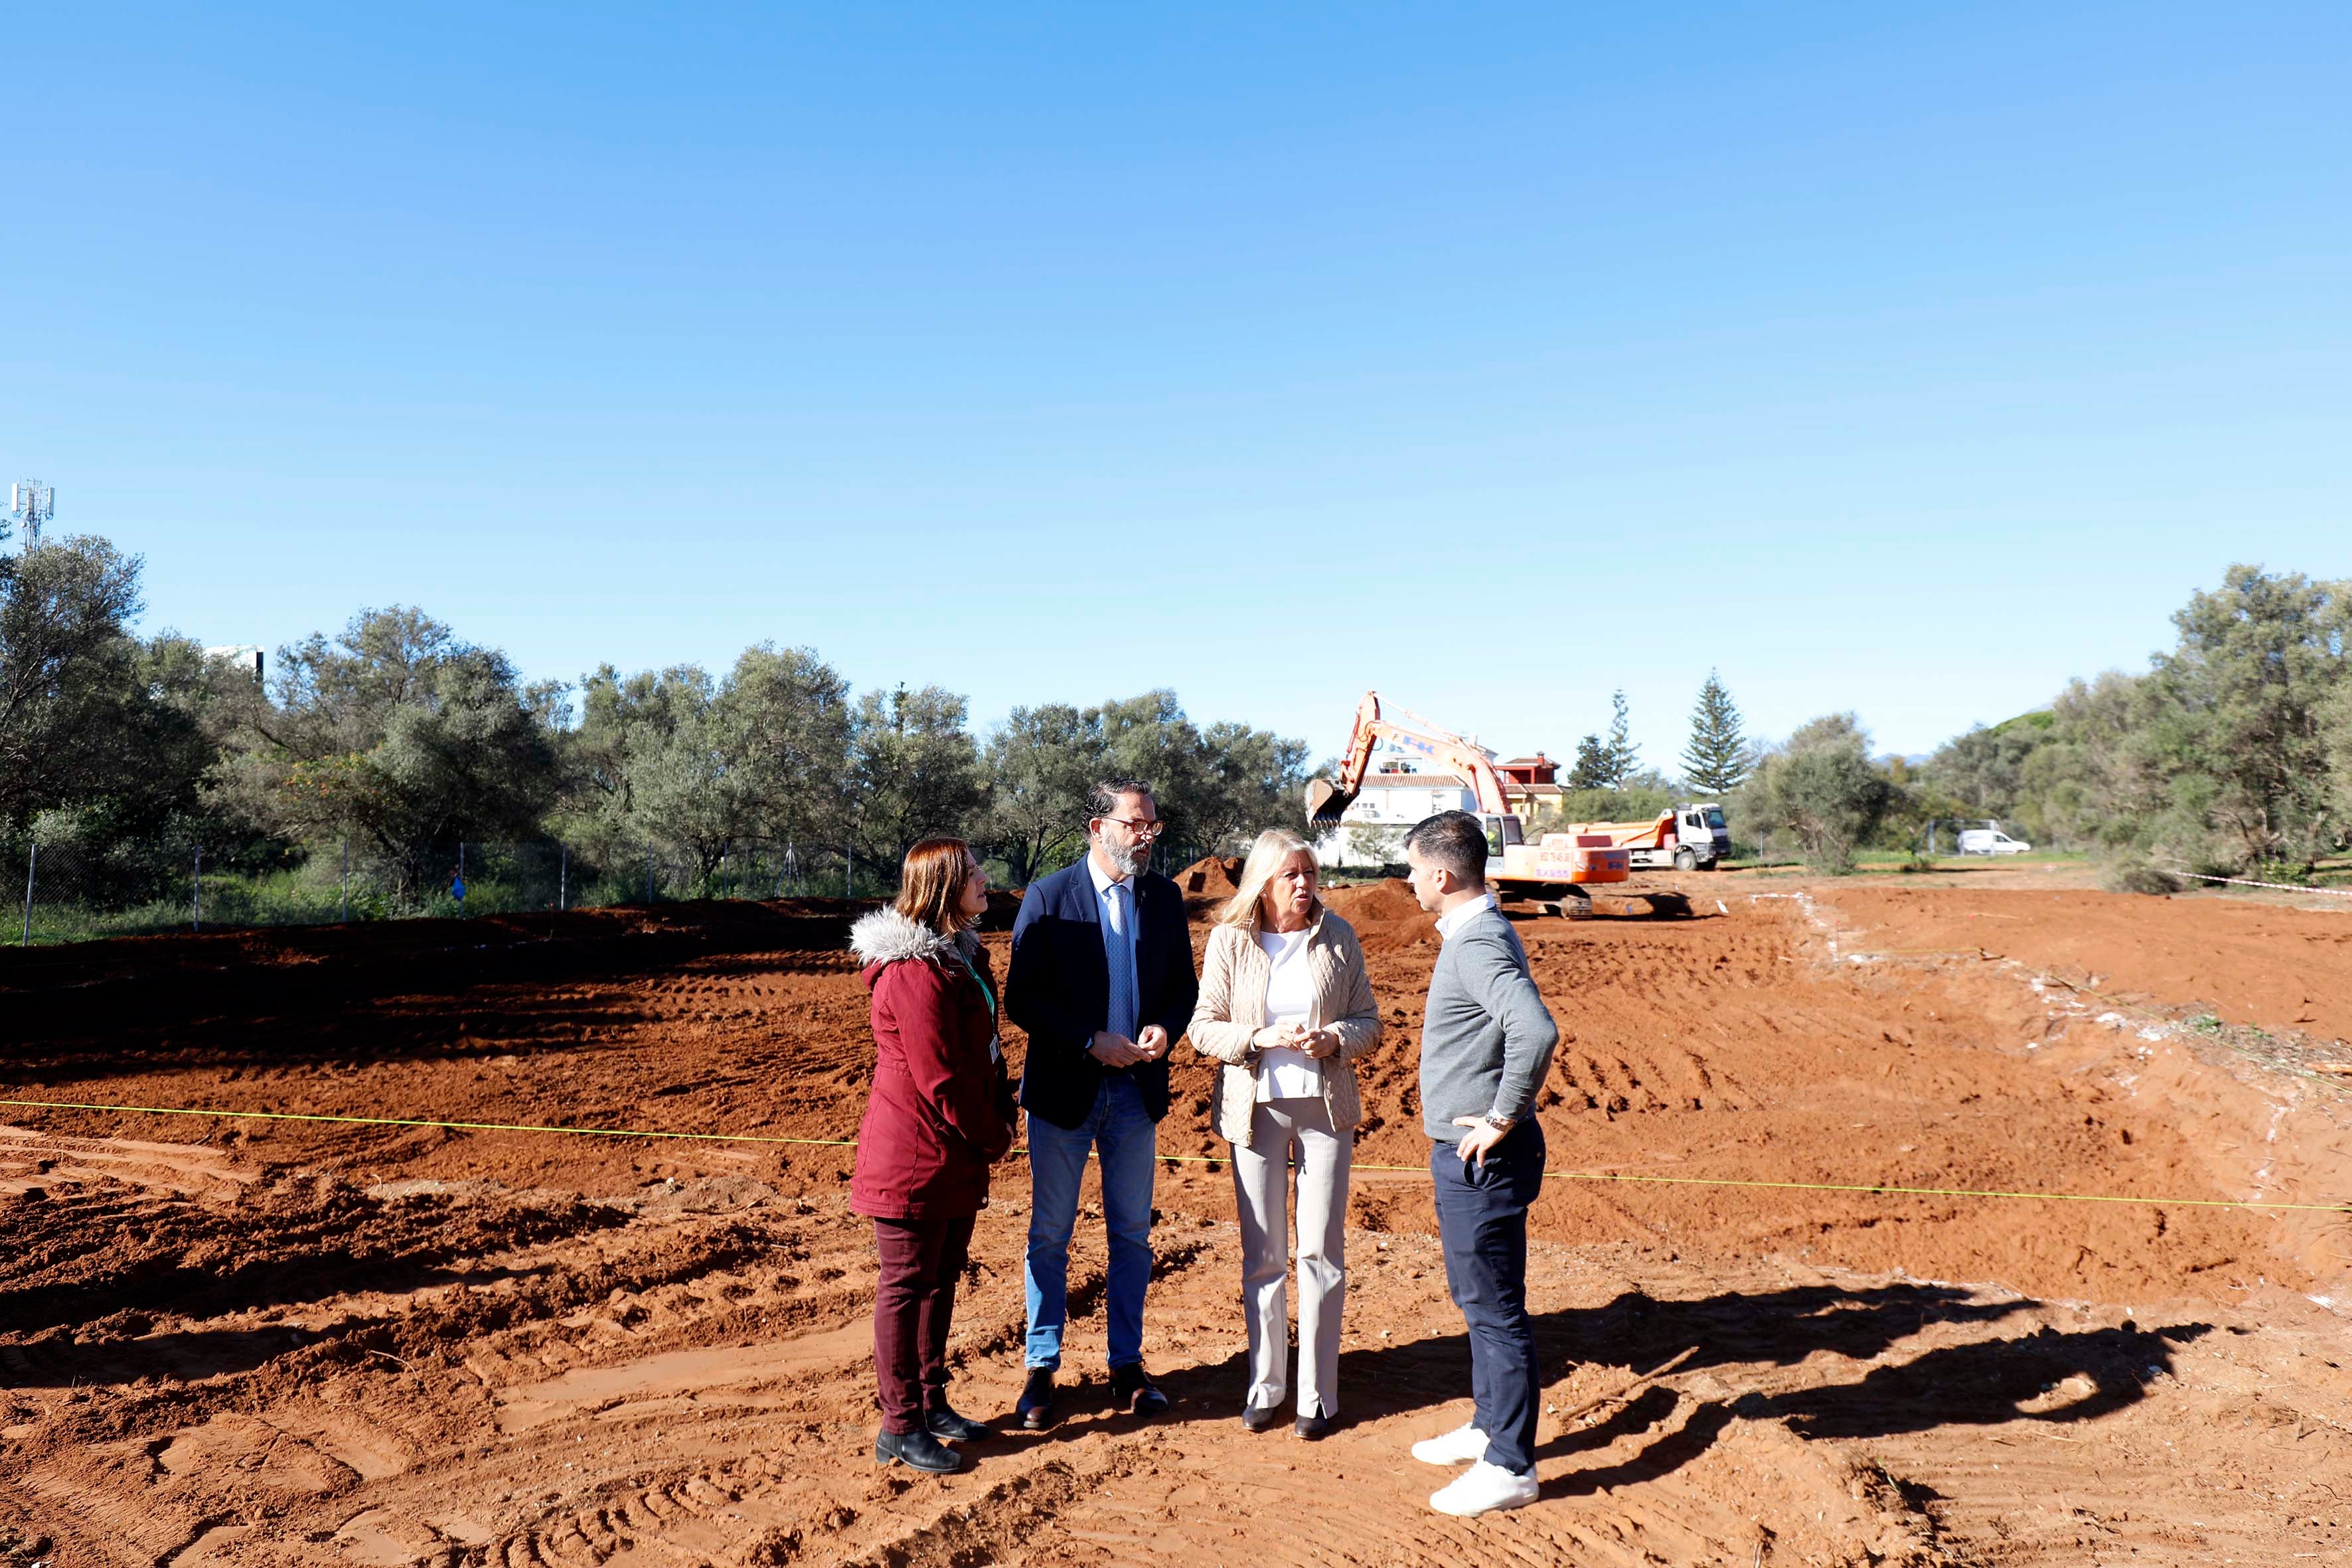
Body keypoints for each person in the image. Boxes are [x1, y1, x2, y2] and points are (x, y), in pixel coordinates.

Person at [1004, 779, 1200, 1429]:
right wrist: (1090, 1040)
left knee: (1131, 1235)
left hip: (1135, 1090)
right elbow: (1024, 999)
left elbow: (1183, 988)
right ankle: (1041, 1370)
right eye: (1135, 823)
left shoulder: (1165, 897)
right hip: (1065, 1092)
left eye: (1152, 824)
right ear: (1098, 826)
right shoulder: (1049, 895)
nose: (1146, 835)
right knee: (1051, 1235)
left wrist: (1166, 1030)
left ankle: (1127, 1365)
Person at [1186, 828, 1380, 1439]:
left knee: (1321, 1253)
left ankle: (1317, 1397)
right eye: (1290, 874)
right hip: (1254, 1111)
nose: (1304, 885)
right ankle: (1265, 1386)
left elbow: (1369, 1022)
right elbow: (1202, 1028)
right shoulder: (1229, 941)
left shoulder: (1338, 936)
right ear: (1265, 882)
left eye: (1310, 874)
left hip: (1325, 1110)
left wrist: (1336, 1040)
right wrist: (1255, 1039)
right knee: (1264, 1258)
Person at [1399, 810, 1561, 1517]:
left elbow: (1535, 1028)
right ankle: (1489, 1426)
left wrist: (1501, 1115)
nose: (1406, 881)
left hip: (1482, 1158)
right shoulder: (1479, 932)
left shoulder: (1477, 942)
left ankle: (1510, 1465)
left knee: (1494, 1310)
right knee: (1480, 1301)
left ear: (1441, 874)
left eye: (1411, 869)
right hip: (1479, 1155)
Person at [848, 837, 1018, 1474]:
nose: (984, 878)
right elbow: (940, 1077)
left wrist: (999, 1107)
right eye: (973, 871)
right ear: (944, 885)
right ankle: (899, 1426)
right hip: (914, 1154)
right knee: (906, 1285)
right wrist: (994, 1133)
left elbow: (982, 1052)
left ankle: (929, 1401)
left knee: (940, 1279)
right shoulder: (914, 973)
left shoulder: (958, 958)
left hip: (950, 1151)